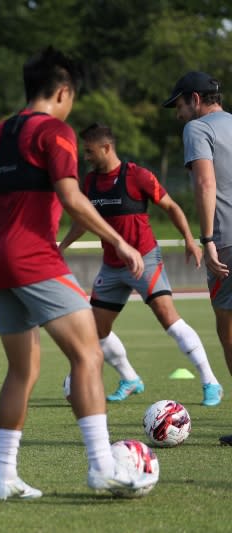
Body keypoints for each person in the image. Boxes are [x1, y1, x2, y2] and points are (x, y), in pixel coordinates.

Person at [0, 46, 155, 500]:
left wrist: (17, 201)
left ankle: (3, 476)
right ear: (63, 92)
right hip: (33, 257)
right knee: (88, 354)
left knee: (22, 370)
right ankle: (101, 467)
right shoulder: (56, 131)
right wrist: (121, 240)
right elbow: (72, 197)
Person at [59, 123, 223, 406]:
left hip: (145, 260)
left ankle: (211, 381)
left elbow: (171, 207)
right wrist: (60, 247)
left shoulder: (138, 176)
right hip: (111, 266)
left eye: (89, 151)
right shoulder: (90, 183)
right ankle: (130, 379)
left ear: (107, 148)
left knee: (168, 318)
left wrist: (189, 239)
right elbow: (83, 220)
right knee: (95, 331)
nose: (85, 157)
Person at [164, 71, 232, 444]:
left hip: (227, 242)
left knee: (228, 331)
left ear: (193, 98)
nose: (177, 113)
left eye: (178, 105)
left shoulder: (197, 129)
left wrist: (206, 239)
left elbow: (206, 183)